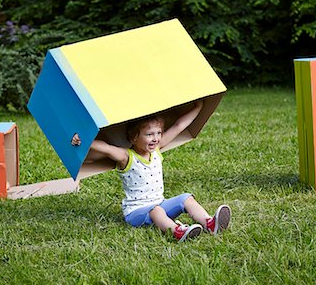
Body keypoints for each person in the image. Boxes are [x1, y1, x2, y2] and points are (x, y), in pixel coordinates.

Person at [71, 100, 231, 242]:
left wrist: (198, 106)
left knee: (186, 198)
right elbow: (105, 148)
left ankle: (209, 223)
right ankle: (176, 232)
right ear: (134, 137)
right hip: (136, 212)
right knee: (156, 211)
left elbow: (179, 126)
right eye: (149, 134)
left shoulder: (157, 150)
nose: (156, 138)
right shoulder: (126, 156)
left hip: (160, 204)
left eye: (159, 133)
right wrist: (82, 139)